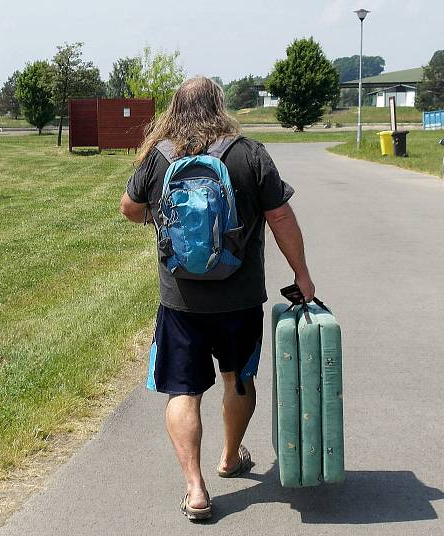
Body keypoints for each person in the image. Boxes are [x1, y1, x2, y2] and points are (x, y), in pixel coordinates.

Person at [119, 76, 315, 521]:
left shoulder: (159, 156)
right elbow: (280, 215)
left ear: (174, 109)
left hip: (180, 300)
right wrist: (302, 274)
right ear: (219, 105)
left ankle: (196, 489)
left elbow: (128, 209)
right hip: (240, 298)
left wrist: (160, 216)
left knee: (183, 390)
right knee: (237, 379)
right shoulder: (248, 153)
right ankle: (230, 457)